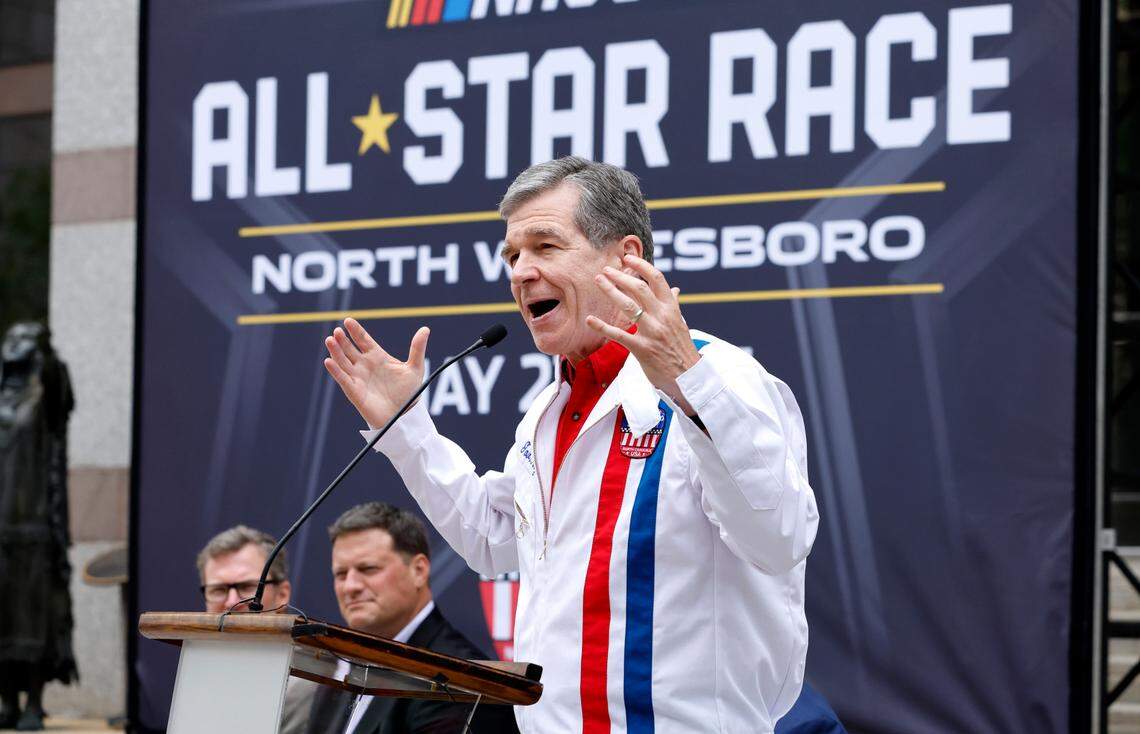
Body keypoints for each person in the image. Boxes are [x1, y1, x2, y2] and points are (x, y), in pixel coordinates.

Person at [322, 156, 819, 733]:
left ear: (625, 258)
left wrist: (688, 381)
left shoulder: (719, 375)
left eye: (545, 246)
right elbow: (498, 539)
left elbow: (779, 536)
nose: (520, 271)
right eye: (512, 255)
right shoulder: (548, 411)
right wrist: (408, 432)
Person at [304, 502, 518, 734]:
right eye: (341, 574)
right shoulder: (337, 672)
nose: (351, 586)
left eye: (368, 569)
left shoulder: (459, 678)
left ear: (419, 570)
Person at [0, 322, 77, 731]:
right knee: (3, 618)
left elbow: (57, 387)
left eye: (24, 340)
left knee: (33, 618)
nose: (14, 347)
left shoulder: (43, 394)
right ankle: (7, 700)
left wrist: (47, 348)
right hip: (0, 531)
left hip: (33, 528)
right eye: (10, 339)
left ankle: (33, 700)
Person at [197, 525, 318, 734]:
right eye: (218, 590)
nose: (232, 602)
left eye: (247, 587)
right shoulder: (197, 675)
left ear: (282, 594)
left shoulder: (312, 679)